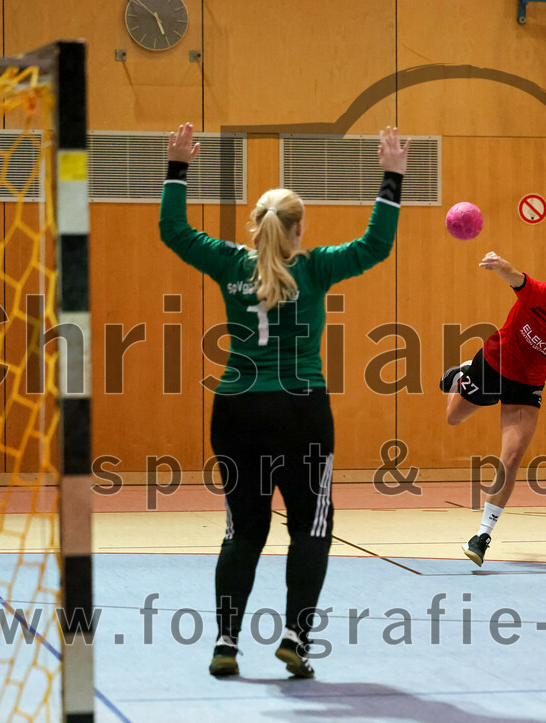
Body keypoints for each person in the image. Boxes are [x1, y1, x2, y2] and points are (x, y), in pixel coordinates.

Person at [160, 122, 410, 678]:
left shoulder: (229, 263)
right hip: (300, 409)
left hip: (236, 409)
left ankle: (226, 643)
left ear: (256, 225)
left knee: (243, 529)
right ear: (298, 228)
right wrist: (391, 177)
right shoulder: (316, 268)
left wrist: (177, 168)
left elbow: (173, 230)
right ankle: (295, 638)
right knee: (310, 525)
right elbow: (375, 244)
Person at [440, 252, 546, 566]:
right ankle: (462, 375)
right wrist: (501, 267)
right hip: (494, 365)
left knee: (511, 458)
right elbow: (517, 277)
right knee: (453, 418)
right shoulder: (540, 294)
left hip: (528, 384)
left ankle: (482, 535)